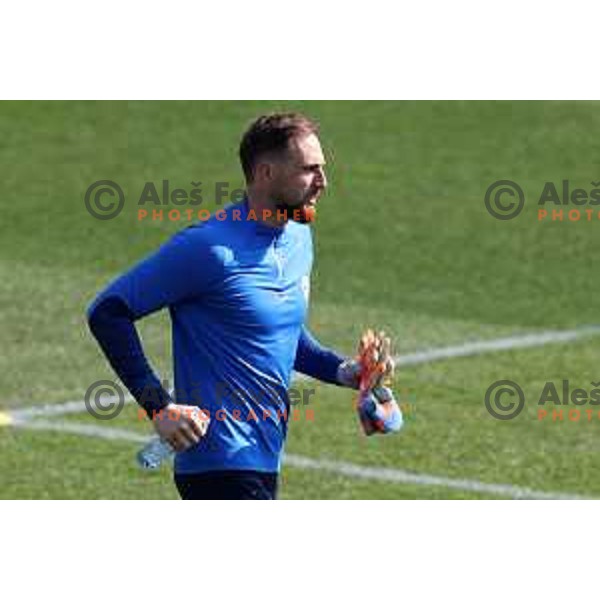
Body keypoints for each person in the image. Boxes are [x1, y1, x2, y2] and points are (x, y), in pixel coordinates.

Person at [87, 112, 391, 500]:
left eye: (322, 169)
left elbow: (279, 334)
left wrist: (346, 372)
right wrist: (159, 408)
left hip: (264, 456)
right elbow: (108, 312)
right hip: (220, 462)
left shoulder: (299, 238)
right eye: (309, 170)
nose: (323, 183)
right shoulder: (208, 249)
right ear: (265, 173)